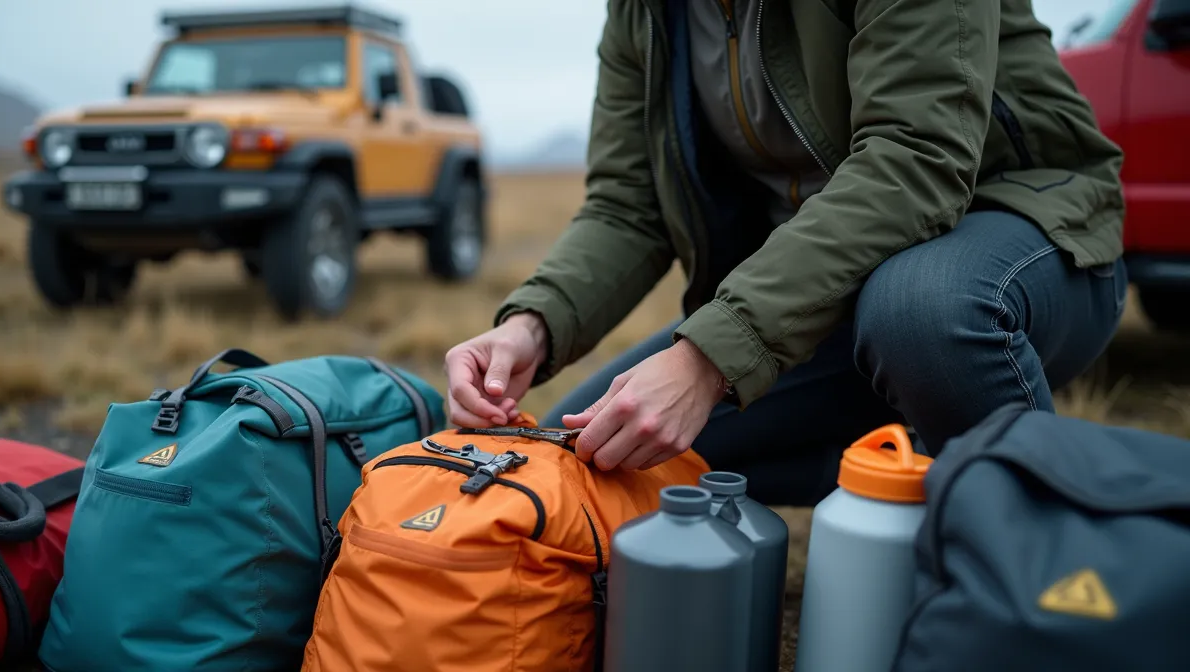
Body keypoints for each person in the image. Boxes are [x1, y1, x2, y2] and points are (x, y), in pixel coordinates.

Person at [444, 0, 1128, 505]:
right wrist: (531, 323)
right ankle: (914, 475)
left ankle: (1052, 563)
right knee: (599, 452)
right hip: (824, 298)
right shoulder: (643, 13)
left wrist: (711, 356)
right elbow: (630, 202)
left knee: (921, 311)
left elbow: (916, 158)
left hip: (1020, 243)